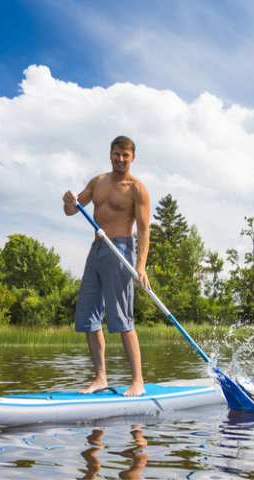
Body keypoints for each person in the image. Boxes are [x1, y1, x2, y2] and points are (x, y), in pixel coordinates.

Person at [62, 135, 151, 396]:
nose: (120, 159)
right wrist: (69, 201)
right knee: (88, 315)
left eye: (125, 155)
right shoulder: (98, 182)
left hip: (121, 249)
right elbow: (72, 210)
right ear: (110, 153)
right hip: (97, 249)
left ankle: (138, 382)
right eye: (116, 154)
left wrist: (141, 265)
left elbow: (144, 231)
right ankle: (100, 378)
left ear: (133, 157)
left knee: (122, 317)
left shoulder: (137, 188)